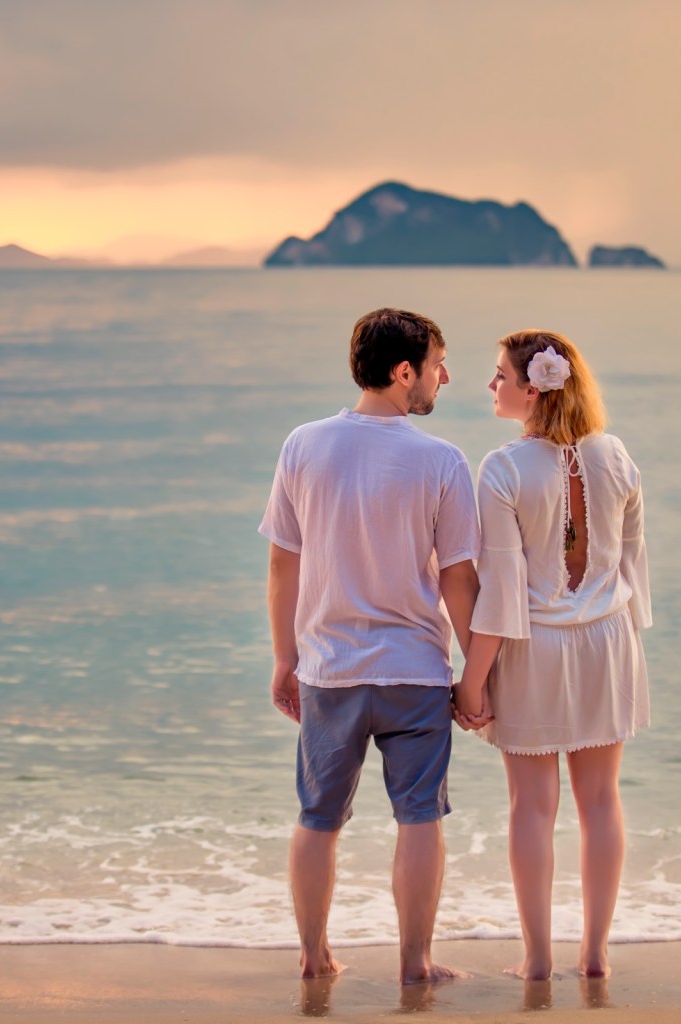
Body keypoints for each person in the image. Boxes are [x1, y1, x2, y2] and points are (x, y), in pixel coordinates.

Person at [259, 308, 481, 984]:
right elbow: (459, 578)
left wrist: (284, 658)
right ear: (403, 371)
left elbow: (282, 564)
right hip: (414, 672)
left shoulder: (304, 444)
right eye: (437, 363)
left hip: (330, 670)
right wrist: (476, 673)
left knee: (318, 816)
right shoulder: (442, 460)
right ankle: (415, 964)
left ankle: (313, 955)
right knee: (419, 817)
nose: (446, 376)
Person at [453, 329, 651, 981]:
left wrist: (471, 682)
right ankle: (594, 956)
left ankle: (538, 960)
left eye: (499, 376)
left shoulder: (504, 469)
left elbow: (502, 592)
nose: (491, 386)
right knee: (602, 803)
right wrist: (629, 625)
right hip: (607, 641)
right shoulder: (615, 454)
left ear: (532, 388)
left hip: (535, 648)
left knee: (533, 807)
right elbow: (630, 557)